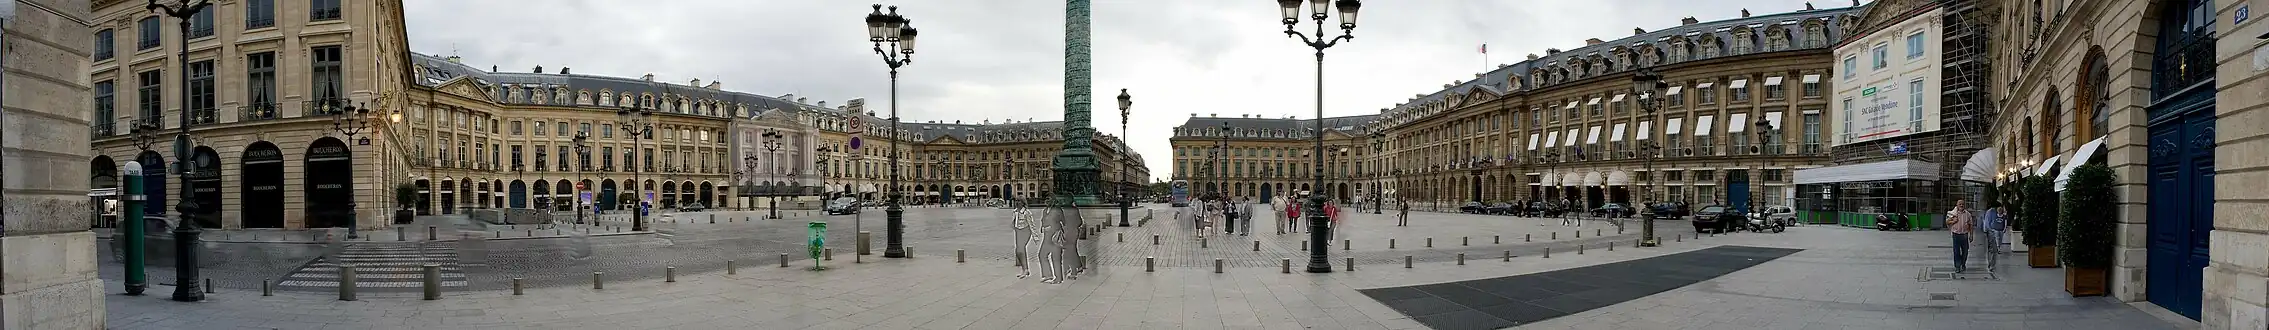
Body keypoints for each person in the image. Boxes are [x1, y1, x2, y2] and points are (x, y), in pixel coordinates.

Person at [1947, 200, 1975, 273]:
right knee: (1956, 252)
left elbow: (1971, 225)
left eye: (1963, 204)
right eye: (1960, 204)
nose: (1961, 205)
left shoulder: (1968, 214)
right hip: (1956, 235)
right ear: (1957, 205)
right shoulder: (1953, 213)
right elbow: (1947, 221)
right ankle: (1957, 266)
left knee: (1965, 251)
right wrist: (1953, 221)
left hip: (1964, 235)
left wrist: (1971, 235)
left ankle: (1963, 263)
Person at [1979, 205, 2006, 271]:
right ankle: (1991, 264)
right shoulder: (1990, 211)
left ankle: (1991, 264)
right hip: (1991, 231)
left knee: (1992, 250)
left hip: (1991, 231)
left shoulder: (1992, 212)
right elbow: (1986, 222)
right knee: (1991, 249)